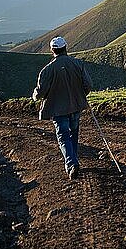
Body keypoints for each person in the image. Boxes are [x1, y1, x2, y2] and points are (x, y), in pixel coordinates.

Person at [33, 37, 93, 180]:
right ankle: (74, 161)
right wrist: (80, 95)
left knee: (63, 137)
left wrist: (35, 95)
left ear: (52, 50)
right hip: (76, 106)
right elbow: (88, 85)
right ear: (66, 47)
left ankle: (71, 164)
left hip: (58, 110)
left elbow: (40, 92)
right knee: (74, 134)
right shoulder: (78, 64)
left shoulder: (47, 70)